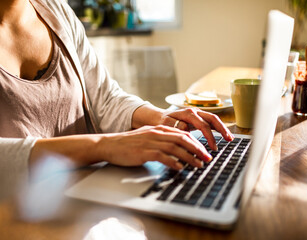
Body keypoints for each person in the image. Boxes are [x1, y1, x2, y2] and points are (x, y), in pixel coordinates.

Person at [0, 0, 233, 198]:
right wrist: (104, 146)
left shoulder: (55, 10)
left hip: (88, 196)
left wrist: (164, 119)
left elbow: (106, 98)